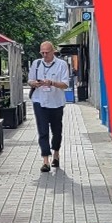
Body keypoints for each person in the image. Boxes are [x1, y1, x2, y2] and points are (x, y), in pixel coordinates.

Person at [30, 40, 71, 173]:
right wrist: (35, 83)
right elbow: (30, 80)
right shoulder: (36, 64)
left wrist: (52, 83)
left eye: (47, 52)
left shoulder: (61, 64)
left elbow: (65, 84)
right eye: (42, 52)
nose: (45, 55)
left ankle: (56, 154)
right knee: (43, 131)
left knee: (56, 131)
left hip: (56, 102)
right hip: (40, 101)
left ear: (53, 51)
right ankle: (45, 161)